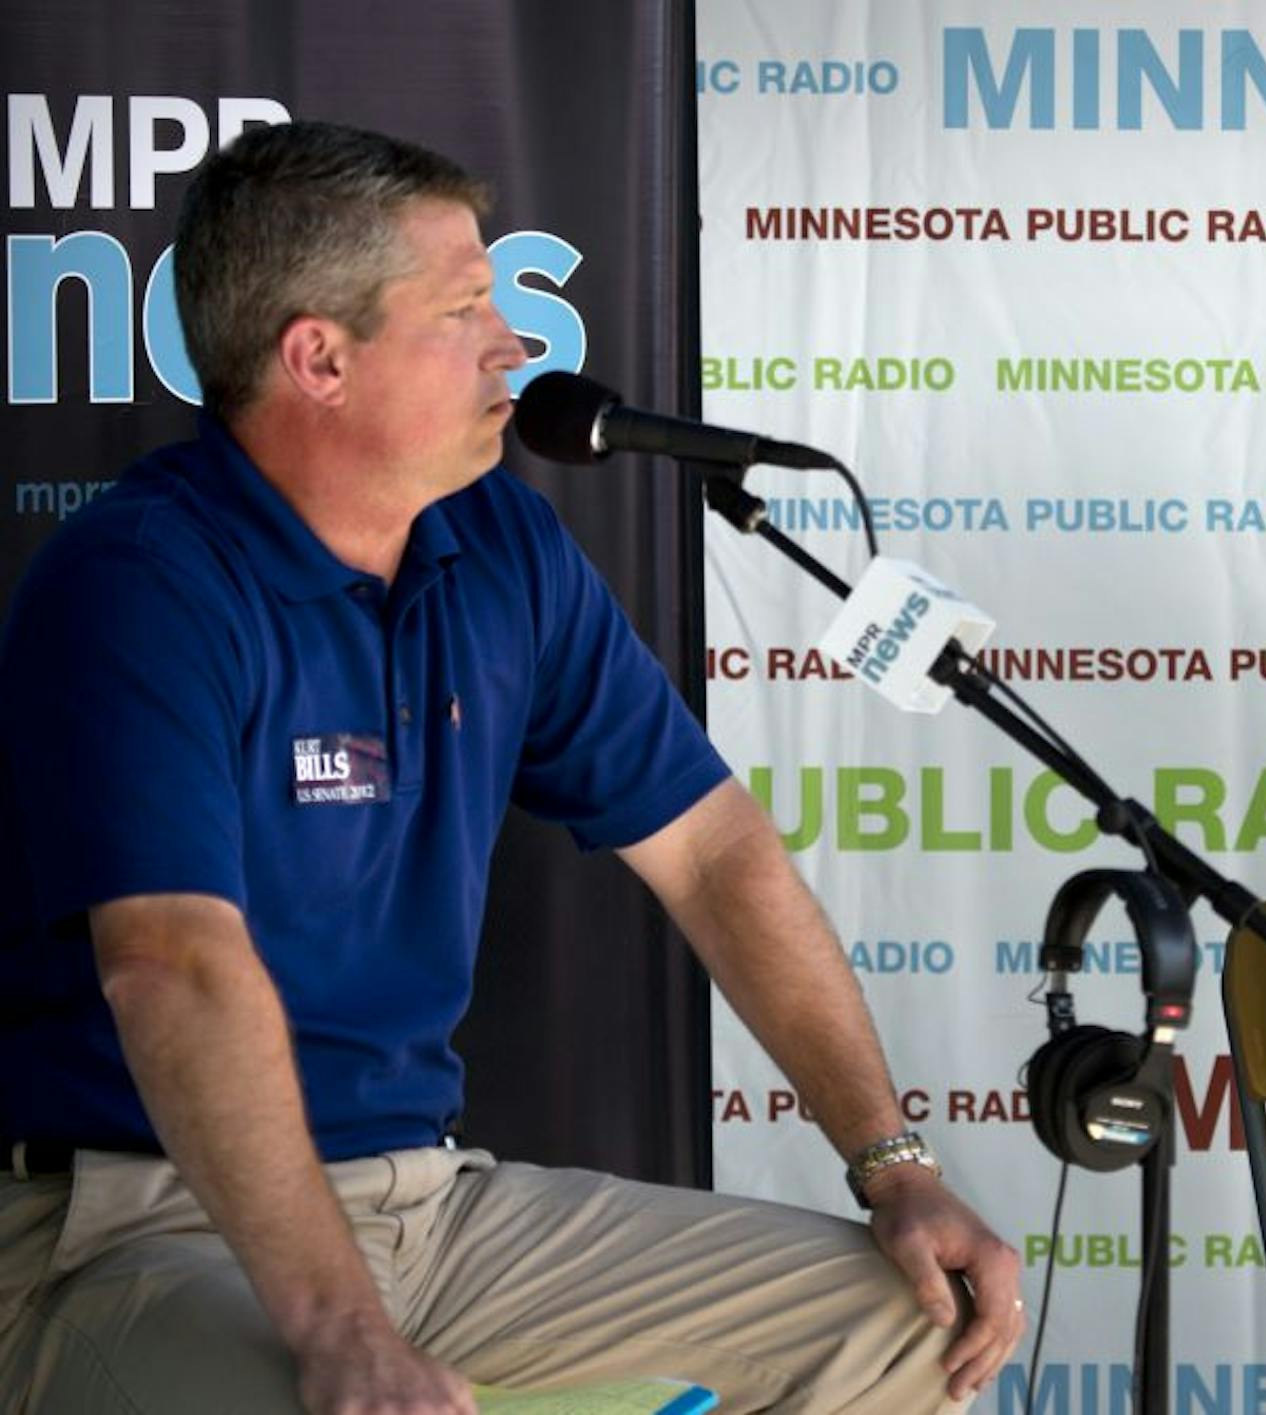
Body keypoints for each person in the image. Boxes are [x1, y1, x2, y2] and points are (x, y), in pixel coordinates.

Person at [0, 121, 1021, 1414]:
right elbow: (172, 961)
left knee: (907, 1323)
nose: (518, 345)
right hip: (135, 1223)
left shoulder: (501, 543)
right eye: (467, 307)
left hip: (431, 1202)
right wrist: (337, 1327)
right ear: (318, 355)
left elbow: (711, 850)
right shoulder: (142, 580)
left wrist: (894, 1164)